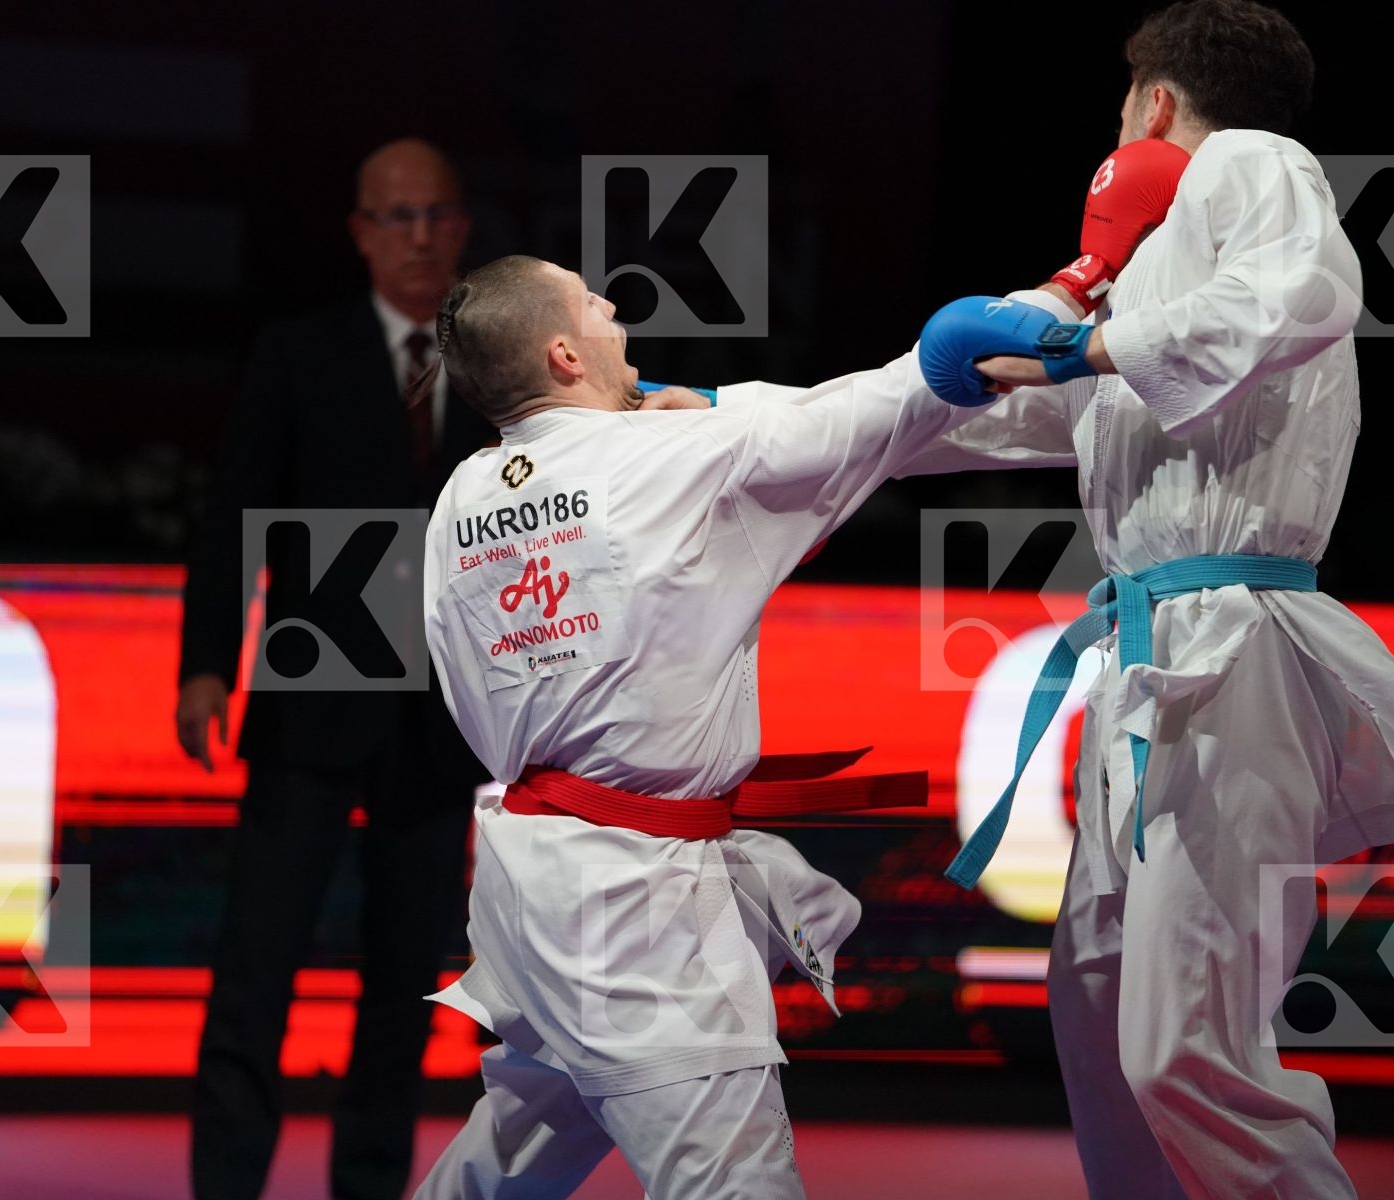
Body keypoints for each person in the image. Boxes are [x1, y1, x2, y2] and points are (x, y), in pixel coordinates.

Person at [900, 2, 1394, 1196]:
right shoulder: (1149, 279)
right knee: (1101, 1018)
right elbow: (1013, 412)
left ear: (1154, 104)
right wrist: (742, 420)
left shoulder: (1252, 163)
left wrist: (1079, 348)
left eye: (1124, 106)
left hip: (1230, 651)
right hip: (1146, 655)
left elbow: (1303, 296)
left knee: (1188, 1047)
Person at [409, 255, 994, 1198]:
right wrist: (1037, 307)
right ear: (565, 355)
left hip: (536, 878)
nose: (612, 306)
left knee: (510, 1163)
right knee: (734, 1183)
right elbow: (873, 413)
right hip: (633, 903)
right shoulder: (666, 457)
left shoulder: (463, 499)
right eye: (590, 301)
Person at [175, 138, 492, 1200]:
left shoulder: (500, 369)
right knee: (255, 971)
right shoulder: (298, 353)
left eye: (437, 215)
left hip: (443, 719)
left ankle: (368, 1184)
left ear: (463, 227)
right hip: (310, 701)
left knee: (403, 986)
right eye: (398, 217)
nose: (420, 237)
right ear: (361, 232)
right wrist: (206, 666)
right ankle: (227, 1184)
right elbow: (233, 515)